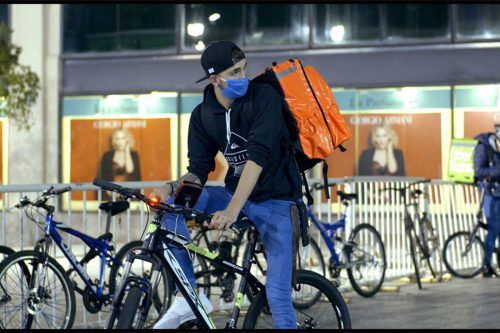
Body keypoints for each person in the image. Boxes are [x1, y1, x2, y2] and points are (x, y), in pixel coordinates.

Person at [151, 41, 303, 329]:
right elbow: (197, 171)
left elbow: (256, 158)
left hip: (278, 200)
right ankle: (189, 295)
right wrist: (170, 188)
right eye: (234, 72)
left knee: (278, 296)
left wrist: (233, 211)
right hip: (236, 195)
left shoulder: (265, 98)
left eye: (244, 69)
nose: (242, 77)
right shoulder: (202, 116)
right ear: (214, 79)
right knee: (170, 207)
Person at [473, 123, 500, 278]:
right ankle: (487, 265)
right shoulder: (484, 147)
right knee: (494, 229)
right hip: (490, 194)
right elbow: (478, 170)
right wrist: (496, 171)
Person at [98, 128, 141, 200]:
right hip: (111, 195)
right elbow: (103, 177)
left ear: (127, 140)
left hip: (129, 195)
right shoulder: (107, 156)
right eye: (117, 138)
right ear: (114, 140)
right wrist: (110, 192)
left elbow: (129, 170)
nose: (120, 141)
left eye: (123, 138)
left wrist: (127, 149)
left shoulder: (134, 155)